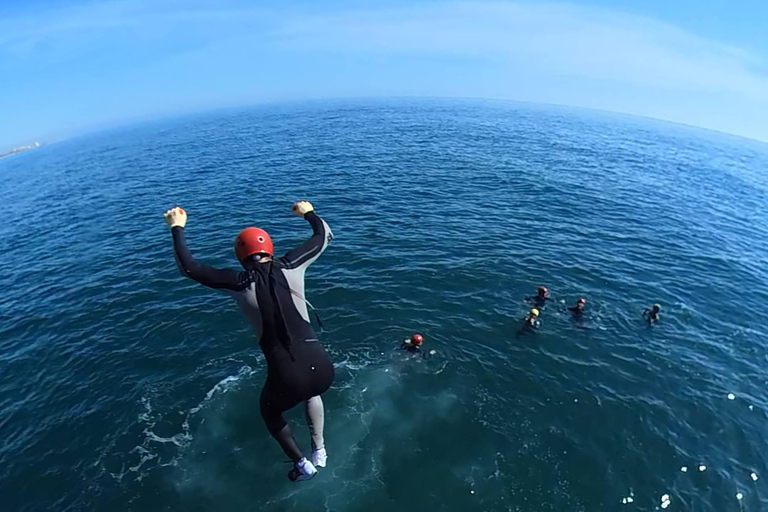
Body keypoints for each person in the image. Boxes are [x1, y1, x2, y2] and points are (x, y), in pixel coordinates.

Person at [163, 201, 334, 483]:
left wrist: (177, 228)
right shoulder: (292, 264)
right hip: (323, 368)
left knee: (269, 411)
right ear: (270, 249)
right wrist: (308, 213)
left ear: (239, 256)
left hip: (286, 376)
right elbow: (322, 235)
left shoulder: (238, 282)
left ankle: (301, 463)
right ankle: (320, 449)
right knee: (311, 391)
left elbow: (189, 268)